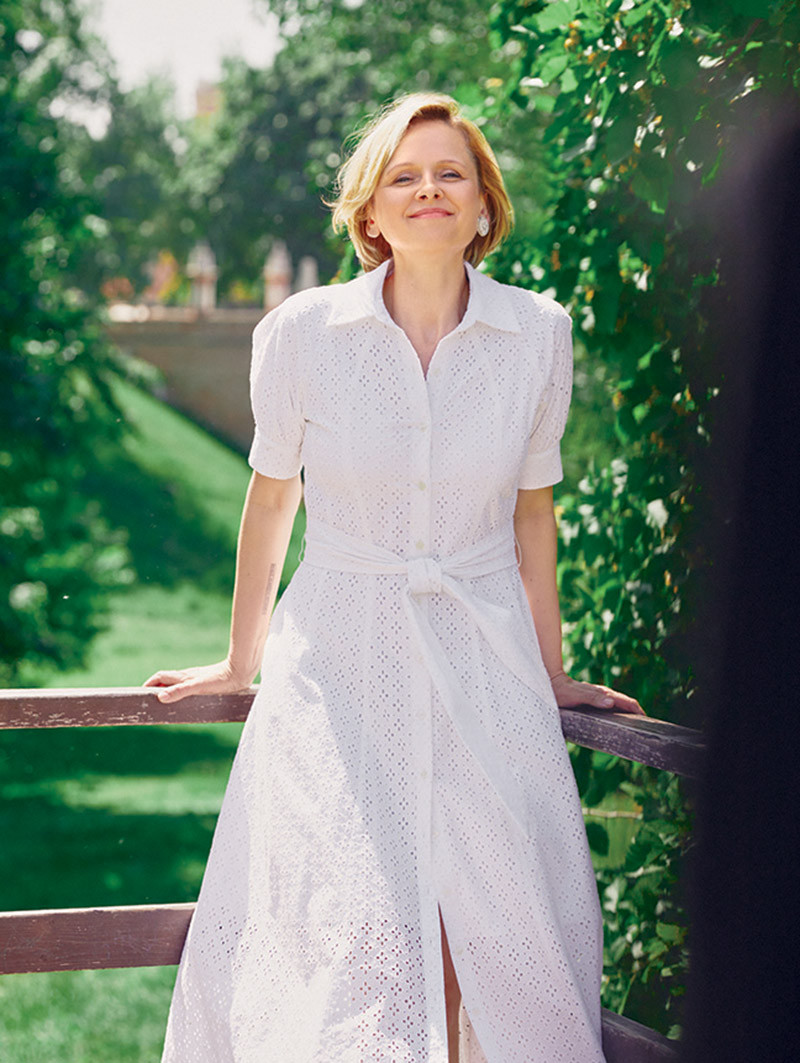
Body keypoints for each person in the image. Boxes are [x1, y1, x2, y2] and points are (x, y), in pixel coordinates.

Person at [145, 92, 643, 1063]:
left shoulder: (537, 333)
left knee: (490, 916)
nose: (428, 190)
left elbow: (532, 517)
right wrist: (239, 662)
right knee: (347, 912)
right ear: (369, 211)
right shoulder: (302, 332)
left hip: (487, 662)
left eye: (450, 173)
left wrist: (548, 672)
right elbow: (271, 503)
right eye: (402, 176)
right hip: (336, 663)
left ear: (484, 203)